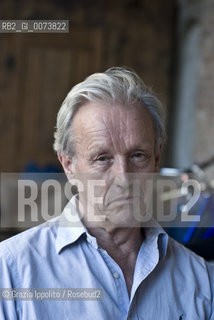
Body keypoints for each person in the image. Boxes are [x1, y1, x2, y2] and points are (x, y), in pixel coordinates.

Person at [0, 67, 213, 319]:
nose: (124, 178)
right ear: (69, 165)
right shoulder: (10, 271)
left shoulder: (201, 281)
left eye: (138, 156)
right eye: (102, 159)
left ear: (156, 159)